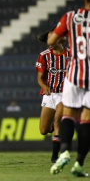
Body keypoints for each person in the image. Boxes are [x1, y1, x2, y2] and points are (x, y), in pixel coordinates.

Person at [48, 0, 90, 177]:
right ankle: (79, 162)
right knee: (86, 120)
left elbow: (51, 41)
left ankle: (64, 150)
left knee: (68, 115)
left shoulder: (70, 17)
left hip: (73, 73)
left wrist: (64, 36)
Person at [35, 27, 70, 163]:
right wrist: (45, 87)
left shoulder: (70, 54)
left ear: (59, 38)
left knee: (58, 121)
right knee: (44, 130)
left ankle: (55, 156)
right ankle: (52, 129)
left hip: (64, 94)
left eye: (52, 37)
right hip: (49, 95)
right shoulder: (44, 55)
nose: (49, 40)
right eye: (48, 38)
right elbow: (39, 78)